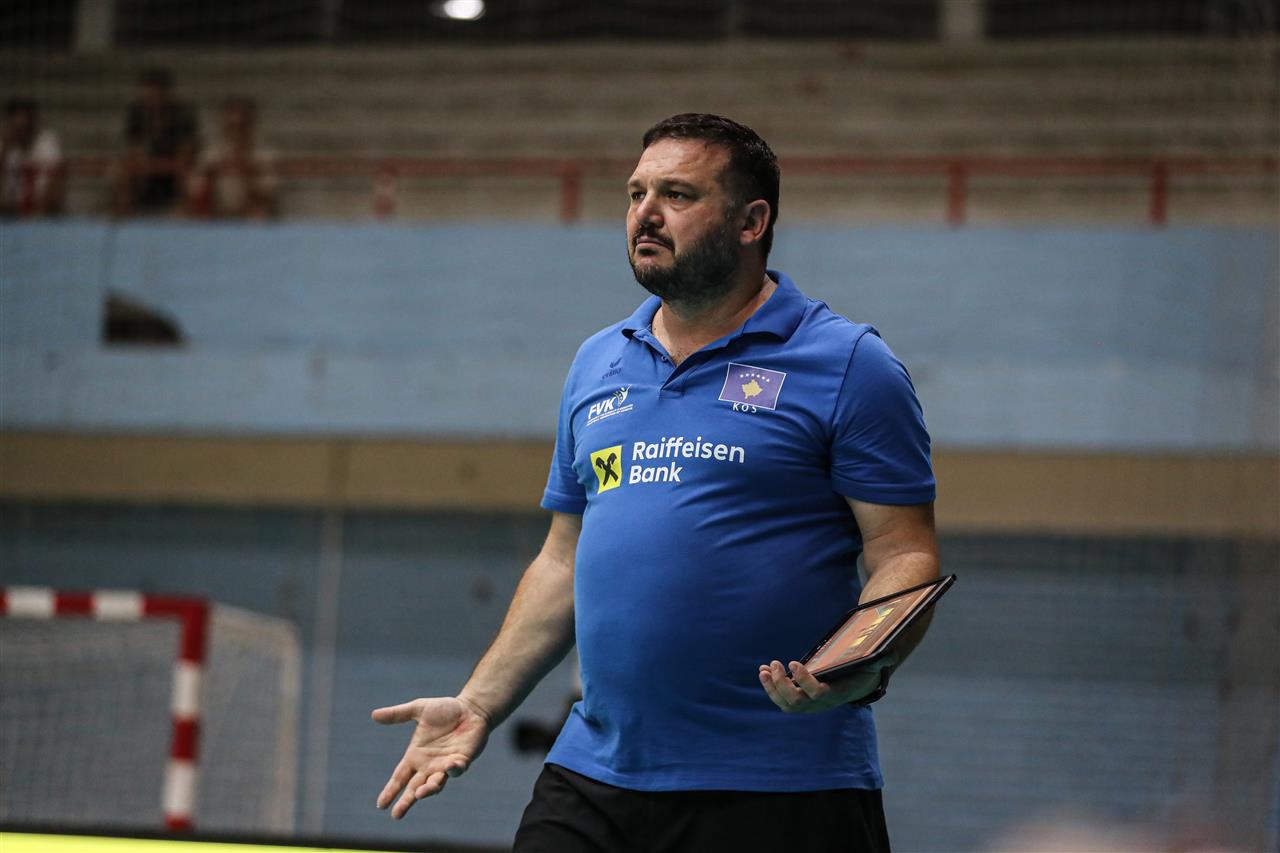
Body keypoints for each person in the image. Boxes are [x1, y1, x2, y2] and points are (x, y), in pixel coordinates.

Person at [373, 113, 940, 852]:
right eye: (636, 193)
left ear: (751, 222)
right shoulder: (598, 361)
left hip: (783, 781)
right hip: (596, 774)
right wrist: (479, 703)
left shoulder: (849, 364)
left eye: (677, 194)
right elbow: (563, 559)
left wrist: (859, 667)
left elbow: (905, 554)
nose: (645, 213)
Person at [113, 67, 198, 216]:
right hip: (148, 168)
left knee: (187, 171)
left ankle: (186, 211)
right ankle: (124, 212)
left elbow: (186, 152)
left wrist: (164, 165)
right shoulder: (137, 114)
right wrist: (144, 164)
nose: (152, 99)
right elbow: (133, 149)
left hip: (175, 169)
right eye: (147, 94)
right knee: (125, 168)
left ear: (166, 94)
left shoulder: (182, 115)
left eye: (156, 94)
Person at [186, 96, 279, 219]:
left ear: (251, 124)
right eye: (232, 126)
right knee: (183, 214)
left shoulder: (265, 153)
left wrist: (249, 173)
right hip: (214, 212)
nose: (236, 132)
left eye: (242, 126)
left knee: (259, 215)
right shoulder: (210, 152)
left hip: (250, 213)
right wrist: (209, 177)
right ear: (223, 125)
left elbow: (268, 193)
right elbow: (194, 190)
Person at [0, 97, 64, 217]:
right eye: (17, 127)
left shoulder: (46, 142)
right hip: (9, 210)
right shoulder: (4, 144)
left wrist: (40, 210)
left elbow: (55, 180)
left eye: (25, 125)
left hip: (42, 209)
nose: (21, 128)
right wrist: (5, 150)